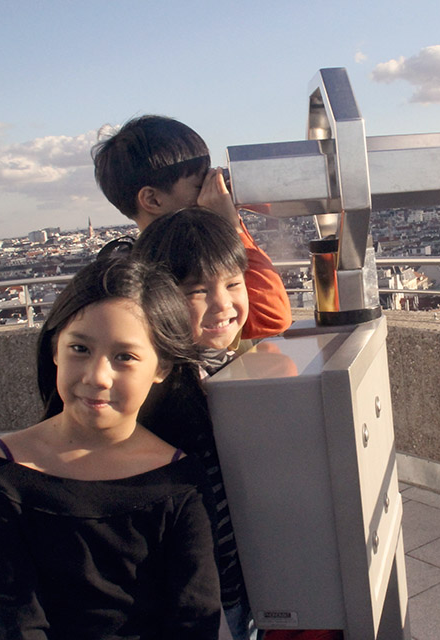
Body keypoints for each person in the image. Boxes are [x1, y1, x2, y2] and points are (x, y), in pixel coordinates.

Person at [0, 258, 221, 640]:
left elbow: (194, 618)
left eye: (125, 357)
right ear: (55, 348)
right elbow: (18, 621)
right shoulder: (4, 470)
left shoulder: (178, 479)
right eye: (80, 348)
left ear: (162, 368)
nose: (97, 376)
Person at [132, 208, 342, 640]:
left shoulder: (230, 364)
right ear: (158, 300)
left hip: (247, 568)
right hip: (204, 585)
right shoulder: (160, 387)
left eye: (232, 284)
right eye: (197, 291)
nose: (223, 304)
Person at [91, 114, 291, 342]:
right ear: (153, 200)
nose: (213, 189)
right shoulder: (155, 274)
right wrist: (230, 226)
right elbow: (270, 317)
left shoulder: (137, 260)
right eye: (200, 184)